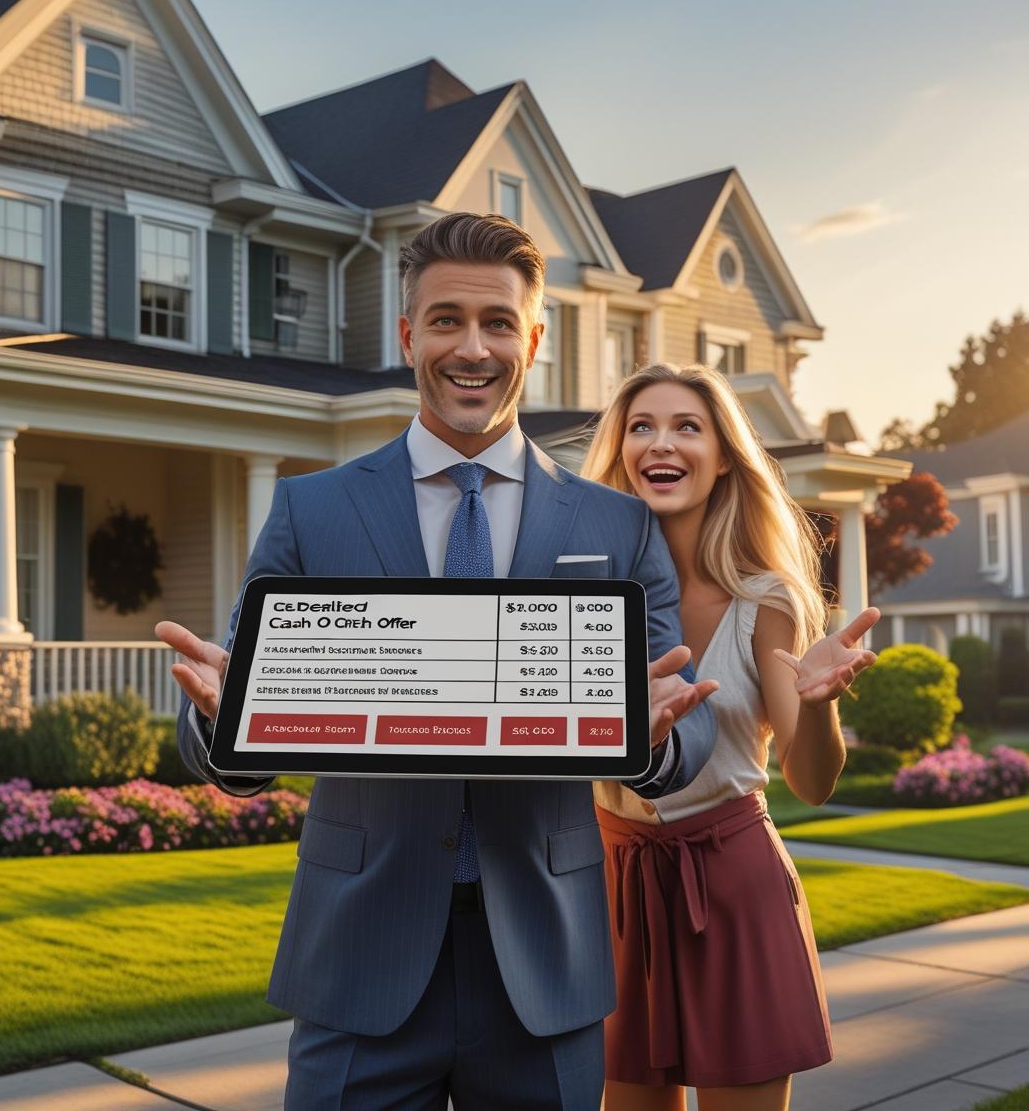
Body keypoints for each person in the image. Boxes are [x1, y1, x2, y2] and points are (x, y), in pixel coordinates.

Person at [156, 213, 717, 1111]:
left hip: (545, 965)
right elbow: (233, 725)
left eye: (498, 323)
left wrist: (647, 739)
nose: (473, 346)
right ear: (409, 333)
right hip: (358, 962)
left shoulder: (617, 525)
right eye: (447, 319)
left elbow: (687, 729)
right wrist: (222, 727)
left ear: (533, 340)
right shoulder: (313, 510)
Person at [582, 362, 879, 1111]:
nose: (662, 443)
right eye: (642, 426)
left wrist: (816, 705)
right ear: (619, 451)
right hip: (611, 887)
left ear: (723, 457)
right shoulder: (580, 596)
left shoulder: (766, 598)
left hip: (733, 883)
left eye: (688, 426)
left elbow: (812, 782)